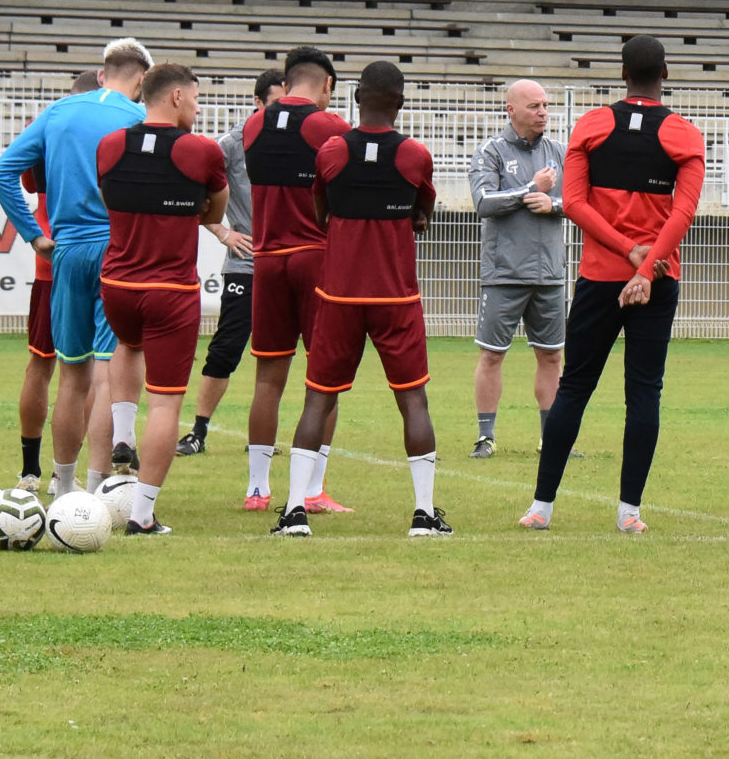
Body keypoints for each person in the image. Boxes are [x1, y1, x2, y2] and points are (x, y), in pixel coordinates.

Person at [521, 36, 705, 532]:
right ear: (665, 73)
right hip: (658, 280)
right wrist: (645, 267)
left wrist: (627, 253)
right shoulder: (685, 134)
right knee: (643, 393)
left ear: (623, 73)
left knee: (574, 386)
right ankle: (630, 513)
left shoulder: (592, 125)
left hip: (600, 277)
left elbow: (575, 204)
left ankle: (541, 507)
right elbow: (684, 212)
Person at [275, 61, 450, 538]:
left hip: (339, 294)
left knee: (318, 398)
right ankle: (424, 514)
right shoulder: (414, 154)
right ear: (401, 102)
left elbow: (321, 212)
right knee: (412, 399)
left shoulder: (332, 150)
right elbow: (423, 211)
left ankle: (294, 512)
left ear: (356, 98)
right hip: (395, 296)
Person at [0, 37, 152, 498]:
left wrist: (33, 234)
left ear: (102, 73)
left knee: (71, 374)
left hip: (66, 251)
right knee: (108, 372)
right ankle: (99, 489)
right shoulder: (138, 118)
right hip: (116, 251)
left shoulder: (56, 112)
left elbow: (2, 172)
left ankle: (62, 487)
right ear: (141, 81)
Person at [95, 63, 232, 535]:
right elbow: (215, 210)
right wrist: (189, 208)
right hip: (170, 290)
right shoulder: (201, 150)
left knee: (126, 345)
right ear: (175, 96)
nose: (198, 107)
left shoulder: (110, 145)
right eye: (195, 98)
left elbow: (109, 198)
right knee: (166, 405)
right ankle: (141, 515)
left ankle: (122, 436)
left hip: (117, 284)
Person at [241, 49, 351, 513]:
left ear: (285, 84)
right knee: (324, 377)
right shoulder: (331, 127)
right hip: (315, 257)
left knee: (268, 379)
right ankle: (312, 489)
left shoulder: (253, 125)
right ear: (327, 84)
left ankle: (257, 489)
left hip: (266, 259)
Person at [178, 67, 281, 478]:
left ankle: (262, 436)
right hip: (246, 265)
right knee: (227, 346)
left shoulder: (298, 142)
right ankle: (199, 430)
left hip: (287, 264)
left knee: (278, 352)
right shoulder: (232, 145)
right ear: (257, 103)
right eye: (275, 103)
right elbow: (195, 189)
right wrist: (222, 231)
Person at [470, 77, 566, 461]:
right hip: (505, 273)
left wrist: (553, 204)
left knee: (552, 357)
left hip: (549, 274)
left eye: (545, 105)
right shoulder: (490, 151)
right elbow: (483, 202)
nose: (543, 112)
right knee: (492, 355)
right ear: (511, 110)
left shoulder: (559, 152)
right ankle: (485, 437)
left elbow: (580, 200)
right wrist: (531, 188)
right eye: (534, 106)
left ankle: (551, 438)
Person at [14, 71, 101, 485]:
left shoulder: (49, 123)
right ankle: (80, 473)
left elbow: (25, 180)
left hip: (52, 257)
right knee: (95, 368)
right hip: (100, 253)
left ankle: (30, 470)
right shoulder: (114, 123)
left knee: (43, 362)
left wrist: (35, 234)